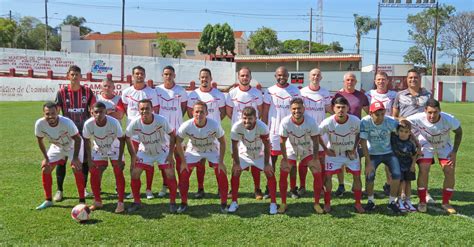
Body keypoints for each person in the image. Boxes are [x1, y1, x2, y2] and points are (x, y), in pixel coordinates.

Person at [407, 99, 462, 214]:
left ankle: (446, 202)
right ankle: (422, 201)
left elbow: (459, 132)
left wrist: (454, 151)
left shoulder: (448, 119)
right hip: (426, 144)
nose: (432, 115)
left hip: (444, 145)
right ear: (425, 110)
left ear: (440, 111)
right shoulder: (417, 117)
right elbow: (402, 122)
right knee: (424, 169)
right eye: (430, 112)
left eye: (435, 112)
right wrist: (415, 139)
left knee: (449, 170)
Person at [125, 99, 179, 213]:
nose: (145, 111)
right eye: (142, 109)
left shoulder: (161, 120)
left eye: (147, 108)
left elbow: (172, 135)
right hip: (145, 151)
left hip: (162, 151)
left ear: (152, 109)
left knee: (170, 173)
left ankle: (173, 202)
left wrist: (170, 154)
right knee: (135, 173)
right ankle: (137, 202)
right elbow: (127, 137)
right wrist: (133, 155)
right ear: (139, 110)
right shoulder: (135, 122)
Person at [177, 101, 229, 213]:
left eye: (202, 112)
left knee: (221, 171)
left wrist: (221, 162)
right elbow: (178, 142)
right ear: (192, 112)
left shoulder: (214, 124)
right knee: (184, 172)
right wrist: (183, 162)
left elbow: (223, 142)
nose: (199, 114)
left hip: (211, 149)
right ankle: (183, 202)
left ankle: (224, 203)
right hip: (194, 150)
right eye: (197, 112)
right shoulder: (186, 125)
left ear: (206, 113)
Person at [54, 65, 96, 202]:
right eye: (72, 74)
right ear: (68, 76)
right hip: (65, 132)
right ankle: (59, 190)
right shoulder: (61, 92)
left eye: (77, 74)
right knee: (62, 160)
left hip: (82, 132)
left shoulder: (88, 91)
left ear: (81, 76)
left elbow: (94, 108)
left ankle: (83, 188)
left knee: (83, 161)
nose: (74, 77)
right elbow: (56, 111)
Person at [392, 69, 434, 203]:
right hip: (405, 135)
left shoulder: (428, 94)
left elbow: (433, 112)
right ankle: (403, 192)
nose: (413, 80)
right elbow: (395, 115)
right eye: (410, 78)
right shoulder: (400, 95)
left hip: (423, 136)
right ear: (407, 79)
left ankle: (425, 192)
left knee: (423, 166)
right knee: (405, 164)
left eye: (415, 77)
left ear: (419, 79)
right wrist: (401, 120)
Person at [35, 102, 85, 210]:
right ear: (44, 113)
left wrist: (75, 158)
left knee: (76, 168)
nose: (50, 116)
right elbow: (40, 140)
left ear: (57, 111)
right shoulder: (40, 124)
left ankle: (82, 200)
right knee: (46, 169)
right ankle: (48, 200)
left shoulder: (67, 123)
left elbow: (78, 139)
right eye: (47, 114)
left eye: (53, 113)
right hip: (57, 146)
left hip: (73, 146)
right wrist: (46, 158)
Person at [319, 97, 364, 213]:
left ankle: (358, 203)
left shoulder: (355, 120)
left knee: (357, 177)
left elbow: (360, 133)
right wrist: (325, 149)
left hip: (350, 154)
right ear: (333, 108)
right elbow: (316, 134)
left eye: (343, 107)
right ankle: (327, 203)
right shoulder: (328, 122)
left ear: (348, 108)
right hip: (333, 154)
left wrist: (354, 148)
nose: (341, 110)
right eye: (338, 107)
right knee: (328, 177)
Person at [278, 98, 324, 214]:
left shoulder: (311, 122)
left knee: (317, 171)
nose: (296, 111)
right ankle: (283, 203)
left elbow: (316, 140)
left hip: (306, 149)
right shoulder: (285, 122)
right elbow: (282, 142)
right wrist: (284, 158)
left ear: (304, 109)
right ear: (290, 110)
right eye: (294, 109)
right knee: (284, 171)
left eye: (299, 108)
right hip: (291, 148)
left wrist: (315, 159)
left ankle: (317, 203)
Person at [229, 106, 277, 214]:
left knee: (270, 173)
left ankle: (273, 203)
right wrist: (236, 163)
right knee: (235, 172)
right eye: (244, 118)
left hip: (260, 154)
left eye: (250, 118)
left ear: (256, 118)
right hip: (244, 154)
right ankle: (234, 202)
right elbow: (234, 146)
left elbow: (267, 146)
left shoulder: (262, 127)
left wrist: (266, 164)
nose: (247, 121)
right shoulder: (236, 127)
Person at [262, 66, 301, 199]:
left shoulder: (295, 91)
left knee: (292, 160)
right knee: (271, 160)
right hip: (273, 131)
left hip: (291, 132)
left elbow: (299, 111)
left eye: (284, 75)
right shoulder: (269, 91)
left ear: (288, 76)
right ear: (275, 76)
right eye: (279, 75)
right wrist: (265, 130)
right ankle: (269, 187)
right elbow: (265, 111)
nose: (282, 77)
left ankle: (293, 188)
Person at [226, 67, 264, 200]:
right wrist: (240, 126)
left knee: (255, 160)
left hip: (253, 132)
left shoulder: (257, 93)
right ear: (238, 77)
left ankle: (257, 189)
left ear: (250, 77)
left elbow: (260, 111)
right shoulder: (232, 93)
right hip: (238, 133)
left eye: (247, 75)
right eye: (242, 75)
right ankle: (233, 188)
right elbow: (229, 112)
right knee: (236, 161)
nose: (244, 78)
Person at [187, 68, 226, 199]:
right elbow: (189, 113)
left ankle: (221, 189)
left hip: (214, 134)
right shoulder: (193, 95)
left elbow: (223, 112)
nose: (204, 79)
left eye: (206, 77)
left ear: (211, 78)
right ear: (199, 79)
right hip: (198, 133)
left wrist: (213, 125)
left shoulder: (218, 94)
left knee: (217, 163)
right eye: (202, 77)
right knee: (199, 162)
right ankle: (200, 188)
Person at [121, 66, 159, 200]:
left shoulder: (151, 92)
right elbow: (126, 110)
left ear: (144, 75)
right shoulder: (126, 92)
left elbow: (156, 110)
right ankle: (133, 190)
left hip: (148, 132)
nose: (139, 76)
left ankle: (149, 189)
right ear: (132, 76)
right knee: (134, 161)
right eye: (136, 73)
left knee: (149, 161)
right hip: (133, 134)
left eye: (141, 74)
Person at [83, 102, 126, 213]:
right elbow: (87, 141)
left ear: (106, 112)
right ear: (92, 112)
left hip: (114, 147)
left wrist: (120, 158)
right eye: (96, 112)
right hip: (99, 148)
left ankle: (120, 202)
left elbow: (122, 139)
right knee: (94, 172)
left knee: (118, 171)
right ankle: (97, 201)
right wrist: (89, 159)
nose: (98, 114)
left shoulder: (114, 122)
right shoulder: (88, 124)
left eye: (101, 112)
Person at [360, 102, 401, 213]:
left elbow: (403, 126)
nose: (380, 117)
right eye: (377, 114)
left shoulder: (390, 121)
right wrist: (368, 163)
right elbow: (363, 143)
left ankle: (392, 201)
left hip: (389, 152)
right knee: (370, 176)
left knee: (397, 174)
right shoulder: (365, 122)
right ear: (370, 113)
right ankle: (370, 201)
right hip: (373, 153)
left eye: (382, 114)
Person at [332, 72, 369, 197]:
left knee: (356, 159)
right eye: (348, 80)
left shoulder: (361, 96)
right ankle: (341, 185)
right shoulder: (338, 95)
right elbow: (333, 111)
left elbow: (368, 113)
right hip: (340, 132)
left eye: (352, 80)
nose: (350, 82)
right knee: (340, 158)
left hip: (355, 133)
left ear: (356, 82)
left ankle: (356, 185)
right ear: (344, 81)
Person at [155, 65, 188, 198]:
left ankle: (180, 186)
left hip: (178, 131)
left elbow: (184, 108)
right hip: (163, 132)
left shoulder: (181, 91)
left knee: (179, 159)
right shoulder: (157, 90)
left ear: (174, 75)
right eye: (166, 74)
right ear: (163, 76)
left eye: (170, 74)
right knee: (165, 160)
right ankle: (165, 185)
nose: (168, 76)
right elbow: (156, 109)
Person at [299, 68, 332, 197]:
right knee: (303, 161)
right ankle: (302, 186)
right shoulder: (302, 92)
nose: (315, 77)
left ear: (321, 77)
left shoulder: (325, 92)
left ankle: (321, 186)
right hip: (305, 132)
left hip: (321, 132)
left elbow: (328, 108)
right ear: (309, 77)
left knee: (321, 160)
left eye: (318, 75)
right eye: (313, 75)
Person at [391, 120, 418, 212]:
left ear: (410, 133)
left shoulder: (411, 143)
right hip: (397, 166)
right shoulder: (394, 139)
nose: (403, 134)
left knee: (408, 182)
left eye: (406, 132)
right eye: (401, 131)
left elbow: (414, 154)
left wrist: (413, 165)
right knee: (400, 182)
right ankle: (399, 200)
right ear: (397, 131)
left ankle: (408, 200)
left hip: (408, 166)